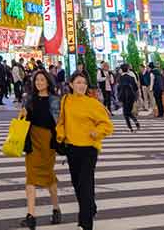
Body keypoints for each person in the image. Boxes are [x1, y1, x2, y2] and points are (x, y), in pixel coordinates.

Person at [55, 70, 113, 230]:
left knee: (85, 185)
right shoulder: (66, 100)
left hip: (89, 149)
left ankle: (86, 223)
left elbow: (107, 125)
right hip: (72, 148)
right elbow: (61, 121)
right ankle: (90, 207)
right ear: (71, 84)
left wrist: (97, 132)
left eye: (84, 83)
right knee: (77, 184)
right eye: (78, 82)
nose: (81, 85)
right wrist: (60, 137)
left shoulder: (93, 103)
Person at [20, 68, 62, 228]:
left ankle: (56, 208)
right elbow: (24, 119)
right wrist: (23, 114)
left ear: (48, 82)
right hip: (32, 140)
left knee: (48, 176)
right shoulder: (29, 99)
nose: (39, 83)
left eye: (42, 80)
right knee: (30, 177)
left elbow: (58, 122)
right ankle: (31, 215)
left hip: (48, 141)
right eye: (36, 80)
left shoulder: (54, 100)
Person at [116, 64, 141, 131]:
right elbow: (136, 88)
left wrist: (118, 97)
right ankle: (135, 123)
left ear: (121, 70)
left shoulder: (120, 78)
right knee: (128, 111)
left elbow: (118, 88)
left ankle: (130, 126)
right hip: (131, 96)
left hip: (123, 96)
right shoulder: (131, 77)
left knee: (126, 112)